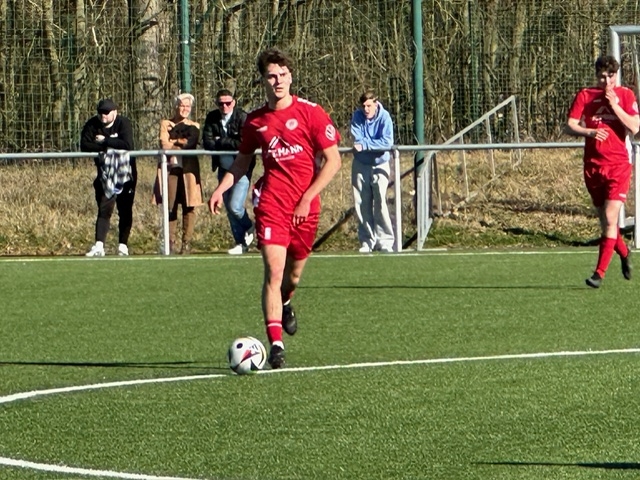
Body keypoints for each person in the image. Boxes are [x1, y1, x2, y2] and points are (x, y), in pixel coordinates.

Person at [208, 48, 342, 369]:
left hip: (305, 208)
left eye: (283, 74)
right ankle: (276, 345)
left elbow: (334, 161)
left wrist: (307, 197)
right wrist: (222, 188)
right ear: (263, 80)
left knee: (292, 277)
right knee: (274, 271)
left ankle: (286, 301)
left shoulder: (311, 113)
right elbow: (243, 161)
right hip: (271, 206)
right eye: (271, 76)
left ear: (290, 77)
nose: (278, 80)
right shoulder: (255, 121)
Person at [564, 55, 639, 288]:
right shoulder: (585, 95)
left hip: (618, 166)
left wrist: (614, 105)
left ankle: (598, 274)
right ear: (597, 76)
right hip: (593, 166)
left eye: (610, 76)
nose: (606, 81)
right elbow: (570, 125)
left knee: (610, 217)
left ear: (617, 75)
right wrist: (590, 132)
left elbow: (635, 127)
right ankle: (624, 252)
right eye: (602, 77)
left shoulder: (625, 95)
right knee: (606, 222)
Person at [202, 89, 256, 255]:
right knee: (228, 208)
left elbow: (243, 143)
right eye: (221, 104)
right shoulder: (212, 117)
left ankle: (251, 227)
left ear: (234, 102)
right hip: (223, 168)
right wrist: (226, 142)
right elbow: (207, 143)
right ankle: (240, 243)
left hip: (241, 168)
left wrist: (220, 141)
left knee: (235, 206)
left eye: (227, 103)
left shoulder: (242, 117)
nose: (224, 106)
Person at [80, 98, 136, 257]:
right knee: (104, 208)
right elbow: (85, 145)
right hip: (104, 175)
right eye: (100, 112)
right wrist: (108, 146)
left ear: (115, 112)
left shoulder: (123, 123)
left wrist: (105, 141)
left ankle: (123, 245)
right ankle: (99, 245)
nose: (103, 115)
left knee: (125, 209)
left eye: (106, 112)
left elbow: (127, 144)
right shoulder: (92, 124)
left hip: (126, 174)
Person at [154, 93, 203, 254]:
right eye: (182, 105)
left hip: (189, 170)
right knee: (170, 205)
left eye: (188, 106)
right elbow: (164, 144)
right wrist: (179, 142)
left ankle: (186, 243)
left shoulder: (194, 126)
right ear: (176, 106)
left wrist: (174, 141)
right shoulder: (165, 123)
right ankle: (169, 242)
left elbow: (190, 144)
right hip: (171, 170)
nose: (185, 109)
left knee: (189, 206)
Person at [350, 89, 395, 253]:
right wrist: (369, 145)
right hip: (361, 164)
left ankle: (385, 242)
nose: (366, 109)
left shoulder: (385, 117)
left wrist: (366, 145)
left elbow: (387, 142)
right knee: (361, 203)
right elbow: (357, 139)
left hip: (380, 164)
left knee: (380, 202)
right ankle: (367, 241)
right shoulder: (357, 116)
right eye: (363, 106)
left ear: (376, 104)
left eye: (369, 106)